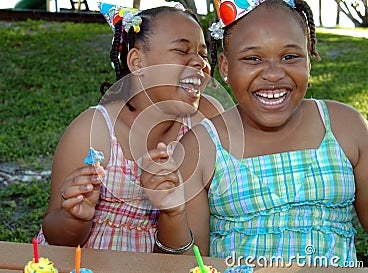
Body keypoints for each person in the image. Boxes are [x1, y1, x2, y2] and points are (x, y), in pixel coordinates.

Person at [140, 0, 368, 266]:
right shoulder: (202, 146)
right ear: (225, 66)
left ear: (309, 60)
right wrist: (173, 214)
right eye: (253, 59)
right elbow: (183, 266)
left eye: (290, 57)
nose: (273, 74)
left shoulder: (346, 127)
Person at [37, 2, 224, 252]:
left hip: (174, 256)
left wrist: (173, 211)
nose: (200, 62)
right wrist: (76, 217)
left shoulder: (206, 121)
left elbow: (195, 248)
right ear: (137, 63)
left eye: (202, 54)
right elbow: (57, 237)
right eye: (182, 50)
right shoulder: (94, 131)